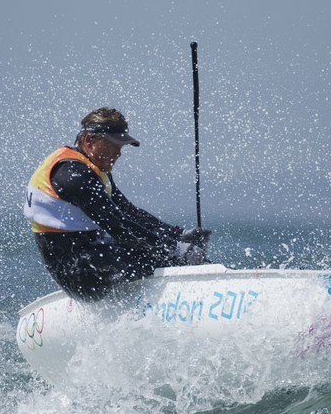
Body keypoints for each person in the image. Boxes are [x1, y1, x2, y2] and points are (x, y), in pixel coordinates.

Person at [24, 107, 211, 300]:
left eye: (121, 147)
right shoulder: (74, 176)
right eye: (113, 145)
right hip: (79, 274)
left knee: (165, 253)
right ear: (90, 140)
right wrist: (175, 249)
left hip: (96, 256)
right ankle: (197, 298)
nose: (119, 153)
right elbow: (119, 226)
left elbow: (129, 213)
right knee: (165, 257)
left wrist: (177, 234)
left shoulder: (93, 169)